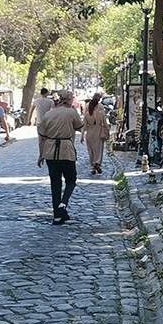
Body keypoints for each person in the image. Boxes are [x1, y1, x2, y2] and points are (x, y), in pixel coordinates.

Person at [37, 90, 84, 224]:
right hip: (66, 149)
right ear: (69, 100)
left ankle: (57, 215)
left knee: (55, 183)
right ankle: (63, 203)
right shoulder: (71, 112)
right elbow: (79, 126)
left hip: (50, 150)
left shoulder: (49, 114)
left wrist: (40, 155)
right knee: (71, 179)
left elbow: (43, 137)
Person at [81, 92, 107, 174]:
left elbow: (84, 127)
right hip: (98, 132)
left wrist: (81, 136)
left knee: (91, 150)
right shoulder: (101, 113)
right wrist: (107, 132)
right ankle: (97, 163)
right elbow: (105, 125)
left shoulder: (87, 115)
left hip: (90, 132)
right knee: (98, 149)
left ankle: (93, 166)